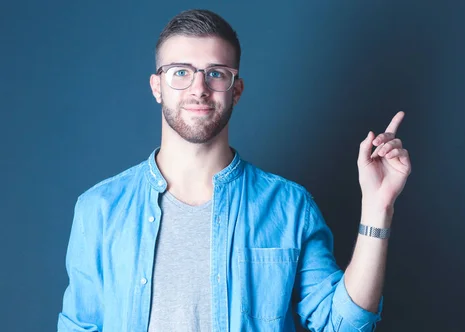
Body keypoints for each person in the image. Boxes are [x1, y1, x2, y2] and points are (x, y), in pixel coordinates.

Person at [57, 8, 411, 332]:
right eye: (180, 72)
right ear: (157, 87)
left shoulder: (289, 206)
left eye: (216, 73)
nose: (199, 88)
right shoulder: (99, 209)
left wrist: (378, 208)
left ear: (236, 89)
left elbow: (343, 324)